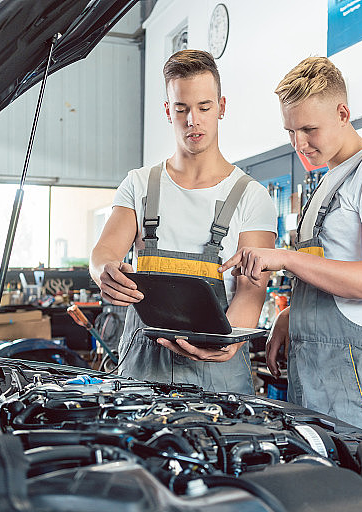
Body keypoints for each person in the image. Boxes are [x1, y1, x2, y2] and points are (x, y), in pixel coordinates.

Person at [220, 57, 362, 434]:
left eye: (309, 128)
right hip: (313, 375)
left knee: (360, 487)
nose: (299, 143)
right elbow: (331, 266)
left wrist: (283, 258)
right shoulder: (330, 179)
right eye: (290, 130)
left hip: (357, 385)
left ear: (343, 112)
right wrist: (292, 315)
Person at [89, 49, 277, 394]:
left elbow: (252, 290)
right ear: (167, 111)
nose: (194, 120)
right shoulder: (139, 184)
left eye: (204, 108)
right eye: (182, 108)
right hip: (142, 369)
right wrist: (103, 271)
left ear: (222, 107)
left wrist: (224, 343)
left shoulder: (252, 197)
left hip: (218, 373)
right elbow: (104, 251)